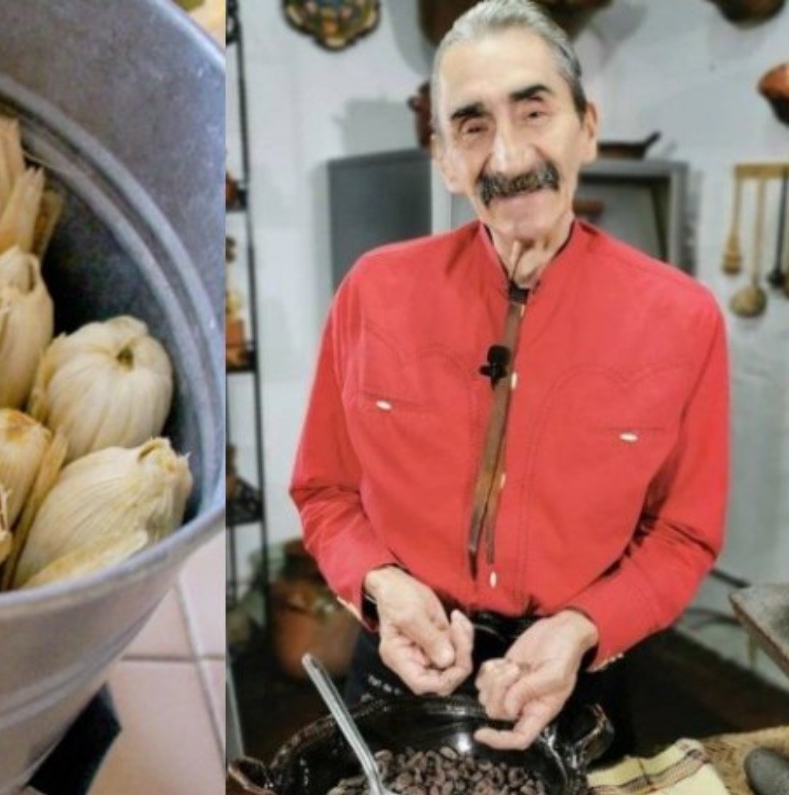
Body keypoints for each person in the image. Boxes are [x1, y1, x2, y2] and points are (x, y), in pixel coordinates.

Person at [289, 0, 728, 754]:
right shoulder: (373, 291)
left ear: (586, 125)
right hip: (403, 664)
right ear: (444, 158)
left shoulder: (682, 318)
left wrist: (584, 627)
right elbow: (325, 492)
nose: (510, 155)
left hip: (572, 672)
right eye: (472, 125)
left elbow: (683, 532)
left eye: (534, 111)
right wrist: (381, 588)